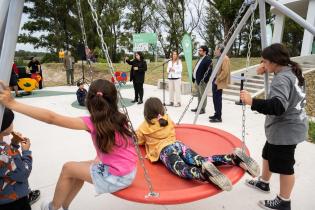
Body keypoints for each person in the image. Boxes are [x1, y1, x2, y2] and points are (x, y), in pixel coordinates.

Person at [0, 79, 137, 210]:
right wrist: (99, 157)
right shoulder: (119, 118)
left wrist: (13, 104)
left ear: (89, 101)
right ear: (114, 100)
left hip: (118, 177)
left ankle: (52, 207)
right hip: (127, 170)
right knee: (76, 171)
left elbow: (51, 118)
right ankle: (65, 206)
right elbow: (116, 145)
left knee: (68, 168)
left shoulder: (91, 123)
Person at [136, 97, 260, 191]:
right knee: (201, 159)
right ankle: (232, 158)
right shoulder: (167, 119)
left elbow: (138, 140)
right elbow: (171, 127)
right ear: (161, 110)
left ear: (146, 113)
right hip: (178, 145)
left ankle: (203, 174)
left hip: (164, 151)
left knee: (182, 168)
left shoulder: (144, 127)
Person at [240, 43, 307, 210]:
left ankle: (284, 201)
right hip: (289, 127)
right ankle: (264, 182)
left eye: (264, 61)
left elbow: (277, 106)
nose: (262, 64)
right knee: (267, 154)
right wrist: (267, 69)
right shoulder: (292, 70)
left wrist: (252, 101)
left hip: (286, 131)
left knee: (285, 167)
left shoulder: (281, 78)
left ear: (274, 61)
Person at [0, 108, 32, 210]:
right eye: (11, 122)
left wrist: (13, 144)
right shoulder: (7, 153)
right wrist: (26, 152)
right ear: (3, 127)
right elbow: (23, 173)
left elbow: (6, 166)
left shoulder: (5, 150)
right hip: (12, 200)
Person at [209, 44, 231, 123]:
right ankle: (216, 114)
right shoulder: (218, 58)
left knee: (218, 99)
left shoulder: (225, 58)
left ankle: (218, 117)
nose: (215, 51)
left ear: (219, 49)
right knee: (215, 98)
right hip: (215, 81)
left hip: (218, 82)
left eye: (216, 49)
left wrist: (217, 80)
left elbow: (225, 72)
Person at [191, 45, 212, 114]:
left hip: (202, 81)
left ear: (204, 51)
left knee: (203, 95)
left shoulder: (208, 59)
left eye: (200, 50)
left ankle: (202, 109)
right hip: (197, 80)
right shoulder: (200, 58)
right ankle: (198, 107)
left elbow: (209, 71)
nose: (199, 52)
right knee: (199, 95)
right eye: (199, 50)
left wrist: (204, 80)